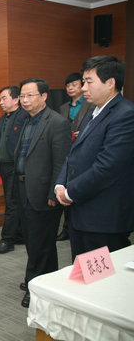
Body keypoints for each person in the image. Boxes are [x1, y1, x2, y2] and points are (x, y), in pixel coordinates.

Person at [55, 56, 134, 260]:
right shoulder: (94, 112)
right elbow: (74, 153)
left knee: (104, 276)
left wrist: (70, 192)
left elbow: (108, 167)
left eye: (89, 82)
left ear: (110, 83)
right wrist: (60, 184)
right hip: (83, 213)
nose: (83, 88)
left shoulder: (125, 114)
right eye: (83, 82)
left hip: (103, 217)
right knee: (83, 270)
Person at [14, 78, 71, 308]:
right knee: (32, 240)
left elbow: (61, 162)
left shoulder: (57, 122)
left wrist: (53, 193)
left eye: (30, 95)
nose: (25, 100)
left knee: (42, 242)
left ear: (44, 96)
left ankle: (35, 286)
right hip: (24, 189)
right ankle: (43, 280)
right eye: (22, 96)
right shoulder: (26, 120)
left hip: (44, 193)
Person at [56, 72, 95, 241]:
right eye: (68, 86)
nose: (70, 88)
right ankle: (67, 227)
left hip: (84, 152)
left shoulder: (91, 104)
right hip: (66, 150)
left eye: (74, 85)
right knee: (65, 186)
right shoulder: (63, 107)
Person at [0, 86, 27, 254]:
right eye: (0, 98)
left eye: (4, 98)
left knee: (12, 203)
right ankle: (19, 234)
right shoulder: (2, 119)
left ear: (16, 99)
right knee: (12, 201)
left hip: (15, 166)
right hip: (3, 165)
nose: (1, 102)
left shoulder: (23, 117)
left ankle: (7, 239)